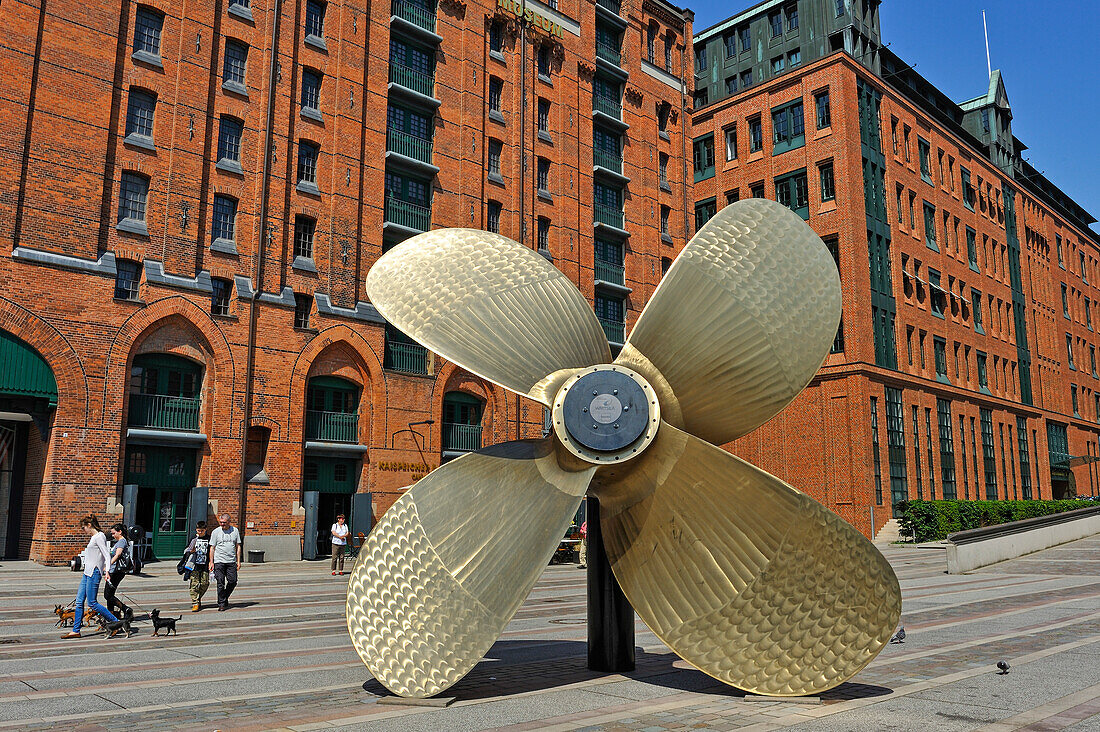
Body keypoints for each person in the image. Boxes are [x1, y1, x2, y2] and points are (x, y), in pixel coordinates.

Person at [62, 515, 118, 638]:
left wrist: (107, 571)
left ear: (89, 525)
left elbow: (106, 555)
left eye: (84, 528)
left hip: (94, 572)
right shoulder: (94, 537)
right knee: (79, 601)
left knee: (92, 603)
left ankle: (116, 622)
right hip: (87, 573)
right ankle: (76, 630)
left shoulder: (99, 536)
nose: (84, 531)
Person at [208, 514, 242, 611]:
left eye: (224, 522)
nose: (222, 524)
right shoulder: (216, 532)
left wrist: (238, 561)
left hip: (231, 561)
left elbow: (238, 546)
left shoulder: (235, 531)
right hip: (219, 561)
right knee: (220, 582)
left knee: (233, 581)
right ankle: (221, 603)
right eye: (221, 522)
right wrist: (211, 562)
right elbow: (212, 548)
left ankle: (224, 597)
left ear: (229, 522)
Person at [102, 523, 132, 618]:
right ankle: (111, 614)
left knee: (108, 595)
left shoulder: (121, 541)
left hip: (116, 572)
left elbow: (118, 555)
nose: (112, 535)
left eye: (114, 533)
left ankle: (126, 609)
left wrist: (108, 565)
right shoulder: (119, 542)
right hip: (113, 571)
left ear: (120, 532)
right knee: (110, 594)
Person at [184, 521, 211, 612]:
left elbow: (212, 550)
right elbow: (186, 550)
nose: (200, 532)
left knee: (205, 583)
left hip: (205, 564)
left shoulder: (209, 538)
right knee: (194, 584)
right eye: (198, 530)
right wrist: (191, 550)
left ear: (205, 530)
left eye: (202, 531)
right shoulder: (193, 538)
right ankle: (195, 603)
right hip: (194, 565)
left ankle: (198, 598)